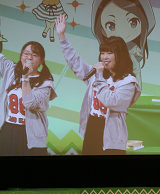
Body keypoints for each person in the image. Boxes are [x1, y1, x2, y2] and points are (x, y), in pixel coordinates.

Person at [56, 13, 141, 155]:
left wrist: (100, 77)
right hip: (93, 126)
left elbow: (111, 101)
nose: (104, 57)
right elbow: (75, 62)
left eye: (109, 53)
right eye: (102, 53)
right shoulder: (96, 74)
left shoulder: (128, 82)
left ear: (119, 55)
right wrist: (62, 36)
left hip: (111, 134)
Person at [0, 39, 56, 156]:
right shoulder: (11, 70)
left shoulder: (45, 83)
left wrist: (25, 77)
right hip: (8, 129)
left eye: (34, 55)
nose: (29, 58)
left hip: (31, 134)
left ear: (41, 61)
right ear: (21, 57)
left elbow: (30, 103)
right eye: (26, 54)